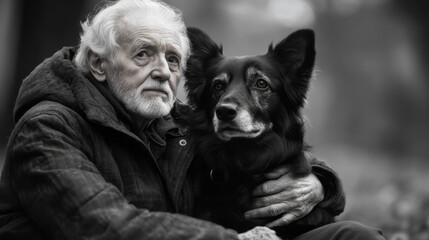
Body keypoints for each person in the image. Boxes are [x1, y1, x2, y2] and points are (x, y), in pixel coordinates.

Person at [0, 0, 384, 239]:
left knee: (354, 236)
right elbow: (101, 225)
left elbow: (262, 150)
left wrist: (320, 184)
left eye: (172, 60)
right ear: (99, 64)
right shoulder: (47, 128)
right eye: (143, 55)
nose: (164, 71)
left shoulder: (176, 122)